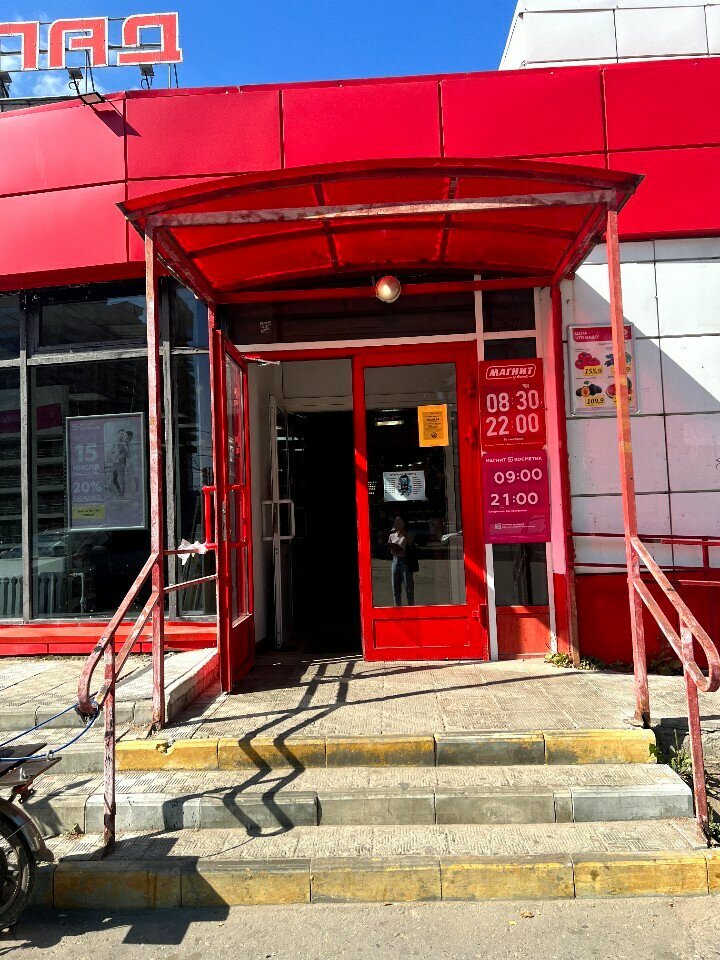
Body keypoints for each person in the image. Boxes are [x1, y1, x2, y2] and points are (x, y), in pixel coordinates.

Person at [388, 516, 415, 606]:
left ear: (403, 524)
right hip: (395, 561)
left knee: (408, 587)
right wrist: (393, 550)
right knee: (395, 588)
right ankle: (397, 608)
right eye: (395, 523)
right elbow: (390, 547)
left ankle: (411, 608)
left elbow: (410, 543)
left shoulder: (408, 534)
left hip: (405, 561)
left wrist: (403, 532)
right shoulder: (392, 535)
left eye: (399, 523)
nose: (397, 524)